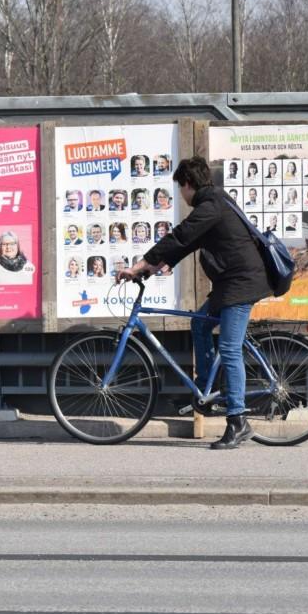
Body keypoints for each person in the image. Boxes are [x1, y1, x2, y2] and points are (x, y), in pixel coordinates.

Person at [116, 156, 273, 451]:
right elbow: (187, 243)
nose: (181, 195)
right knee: (199, 323)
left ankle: (238, 421)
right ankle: (208, 389)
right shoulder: (214, 203)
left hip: (241, 284)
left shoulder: (210, 205)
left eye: (180, 189)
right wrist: (154, 267)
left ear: (188, 184)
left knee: (228, 348)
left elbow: (182, 235)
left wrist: (140, 264)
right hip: (232, 283)